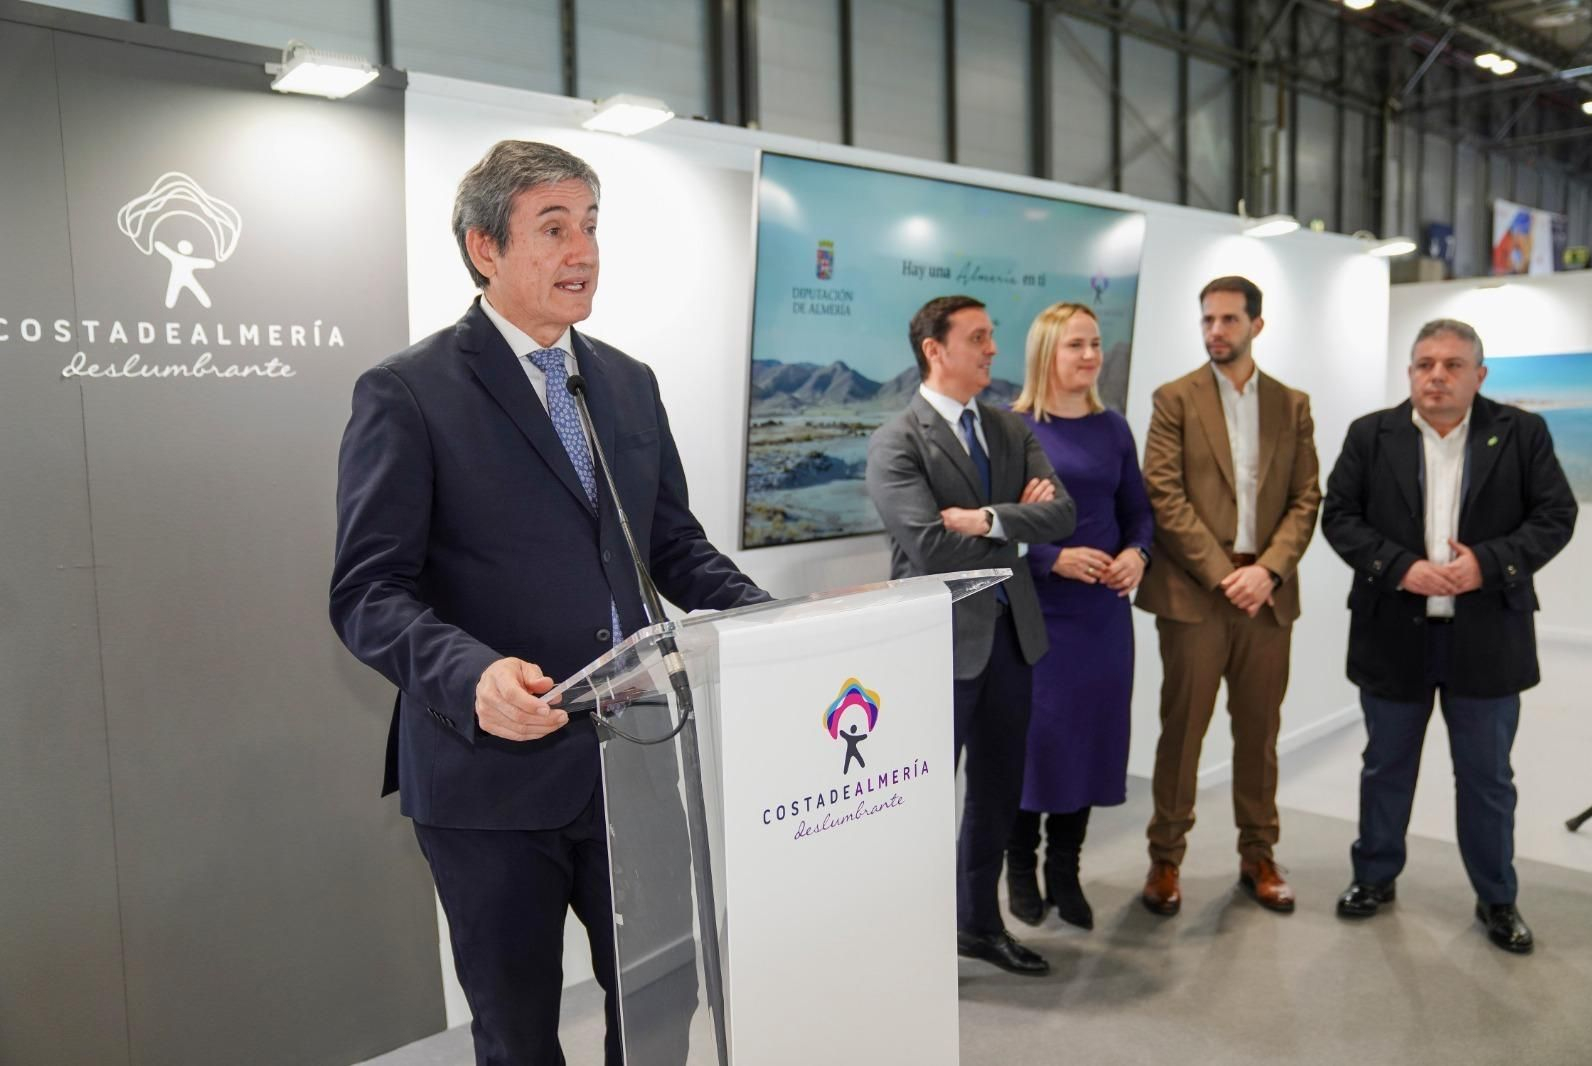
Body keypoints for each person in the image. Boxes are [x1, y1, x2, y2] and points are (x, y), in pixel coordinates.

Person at [328, 140, 767, 1066]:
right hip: (491, 774)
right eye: (554, 228)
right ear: (484, 247)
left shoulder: (626, 381)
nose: (584, 251)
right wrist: (473, 673)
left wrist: (774, 622)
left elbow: (673, 547)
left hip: (636, 756)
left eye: (593, 227)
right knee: (519, 1032)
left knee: (661, 1003)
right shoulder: (408, 391)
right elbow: (367, 591)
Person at [1321, 318, 1576, 953]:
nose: (1436, 376)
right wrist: (1399, 567)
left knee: (1487, 777)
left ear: (1479, 375)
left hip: (1487, 638)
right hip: (1393, 634)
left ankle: (1497, 897)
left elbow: (1556, 515)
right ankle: (1374, 878)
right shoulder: (1369, 435)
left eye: (1452, 365)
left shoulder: (1522, 434)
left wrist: (1485, 565)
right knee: (1385, 767)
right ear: (1409, 373)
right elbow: (1340, 517)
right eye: (1424, 364)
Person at [866, 294, 1077, 976]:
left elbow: (1063, 516)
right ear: (936, 349)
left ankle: (977, 926)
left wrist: (986, 520)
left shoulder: (1009, 429)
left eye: (992, 337)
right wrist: (1017, 530)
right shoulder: (897, 439)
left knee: (996, 791)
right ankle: (905, 944)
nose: (993, 349)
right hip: (936, 648)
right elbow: (929, 548)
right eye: (979, 338)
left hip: (1014, 641)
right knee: (921, 803)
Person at [1135, 275, 1322, 916]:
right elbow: (1163, 495)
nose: (1216, 331)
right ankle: (1166, 859)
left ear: (1256, 326)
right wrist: (1224, 574)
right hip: (1195, 595)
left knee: (1260, 732)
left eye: (1229, 320)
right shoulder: (1175, 399)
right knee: (1182, 733)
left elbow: (1306, 499)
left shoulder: (1290, 404)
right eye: (1207, 320)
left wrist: (1266, 571)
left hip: (1266, 596)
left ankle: (1259, 855)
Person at [1003, 302, 1153, 931]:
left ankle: (1066, 868)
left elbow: (1139, 511)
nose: (1091, 356)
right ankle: (1021, 866)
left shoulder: (1112, 426)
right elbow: (993, 528)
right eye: (1076, 346)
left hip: (1101, 619)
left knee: (1089, 743)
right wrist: (1050, 559)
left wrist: (1137, 555)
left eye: (1095, 344)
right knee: (1033, 747)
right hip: (1038, 617)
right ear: (1046, 353)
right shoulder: (1010, 429)